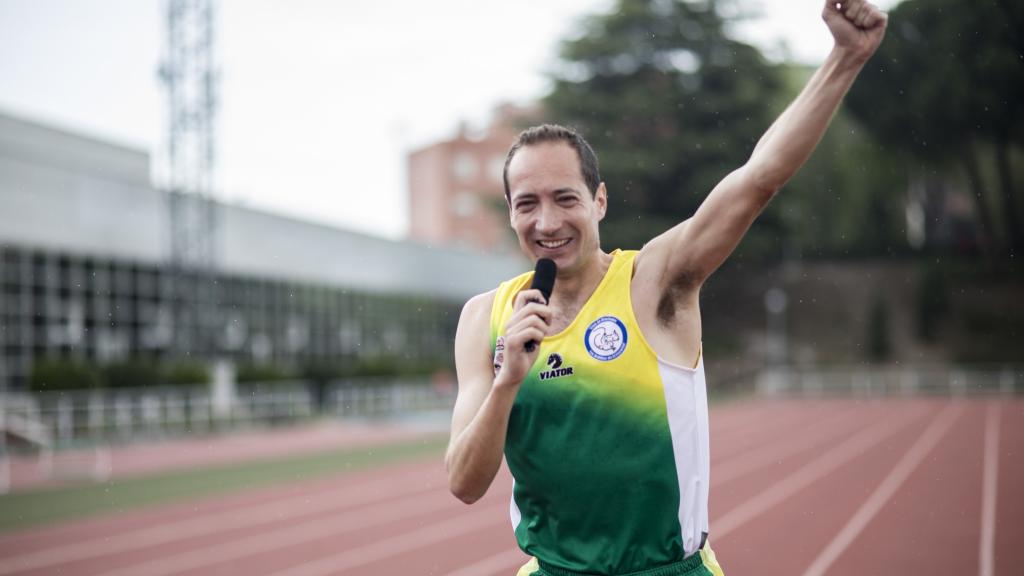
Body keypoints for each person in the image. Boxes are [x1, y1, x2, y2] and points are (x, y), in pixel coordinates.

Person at [445, 1, 888, 574]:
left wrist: (845, 59)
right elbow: (463, 483)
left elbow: (758, 179)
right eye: (527, 203)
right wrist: (507, 383)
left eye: (566, 199)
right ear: (510, 212)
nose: (547, 222)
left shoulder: (653, 282)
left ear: (599, 200)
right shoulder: (485, 319)